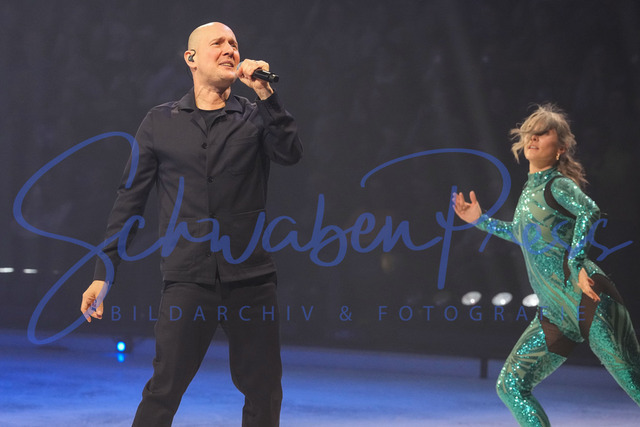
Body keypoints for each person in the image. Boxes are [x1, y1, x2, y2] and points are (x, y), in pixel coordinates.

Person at [80, 21, 302, 426]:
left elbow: (290, 153)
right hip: (188, 278)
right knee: (163, 389)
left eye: (234, 43)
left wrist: (267, 95)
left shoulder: (256, 117)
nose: (229, 49)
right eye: (218, 43)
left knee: (264, 389)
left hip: (250, 280)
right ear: (192, 58)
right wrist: (103, 272)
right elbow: (130, 201)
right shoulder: (159, 122)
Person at [453, 104, 640, 426]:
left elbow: (590, 210)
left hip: (588, 298)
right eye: (530, 132)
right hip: (555, 312)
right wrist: (480, 221)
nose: (533, 138)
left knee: (636, 384)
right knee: (511, 386)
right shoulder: (530, 189)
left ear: (561, 148)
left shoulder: (557, 184)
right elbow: (522, 234)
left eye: (542, 133)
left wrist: (577, 261)